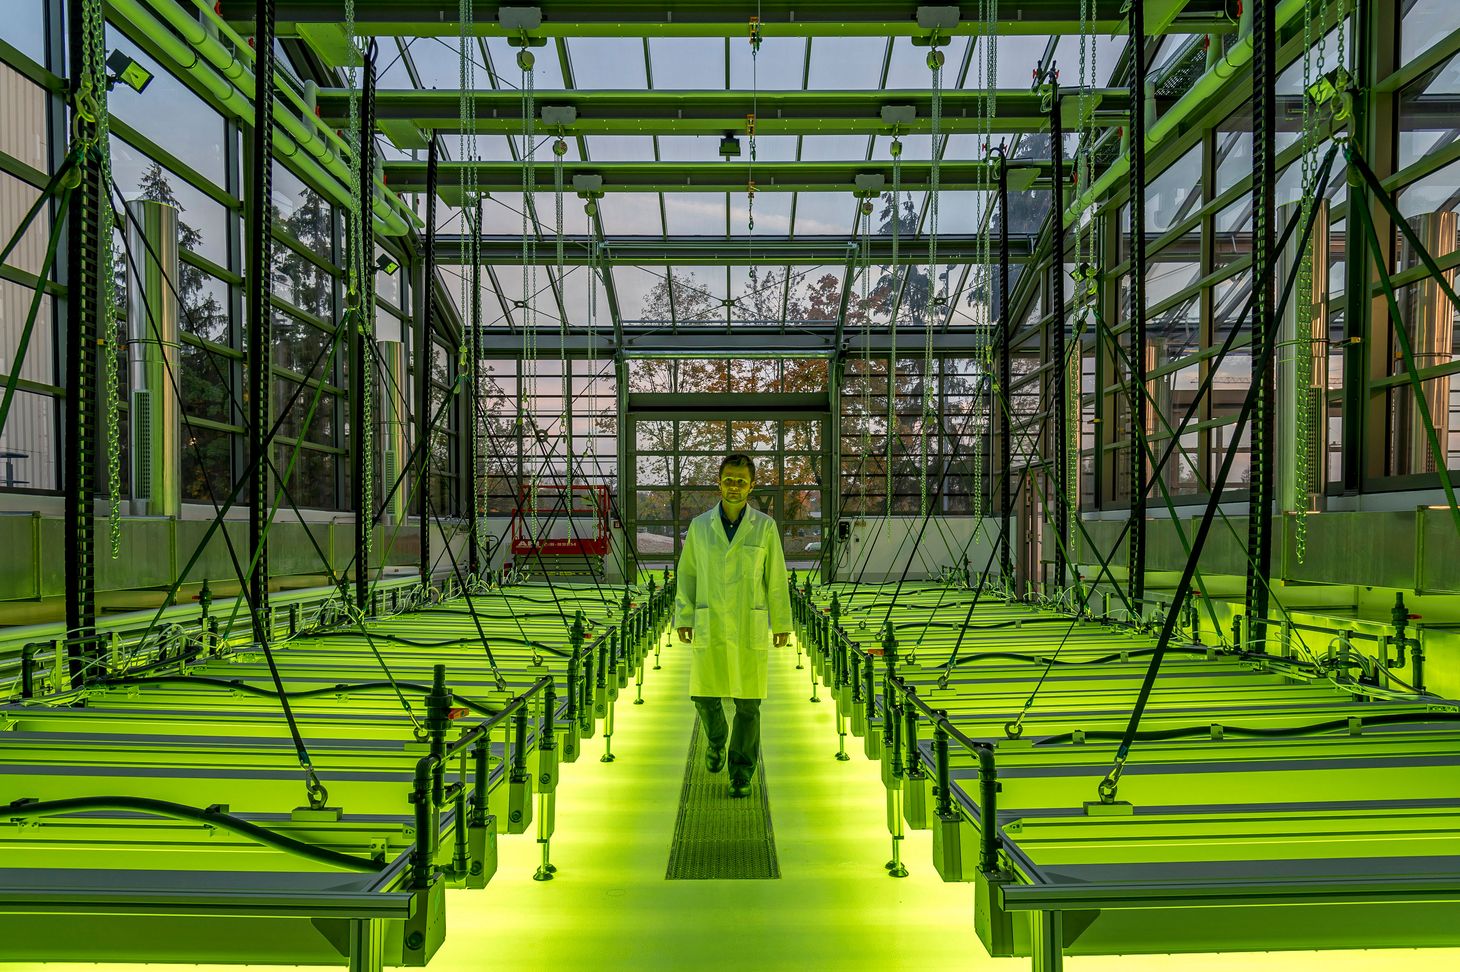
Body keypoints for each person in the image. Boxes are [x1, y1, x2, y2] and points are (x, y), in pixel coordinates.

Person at [673, 453, 791, 798]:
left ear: (751, 486)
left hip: (747, 622)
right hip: (709, 619)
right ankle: (715, 740)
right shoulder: (700, 527)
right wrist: (684, 615)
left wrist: (780, 622)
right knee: (703, 696)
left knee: (749, 705)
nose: (735, 486)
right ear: (719, 483)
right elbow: (688, 575)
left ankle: (741, 772)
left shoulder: (765, 527)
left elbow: (776, 580)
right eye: (729, 479)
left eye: (741, 480)